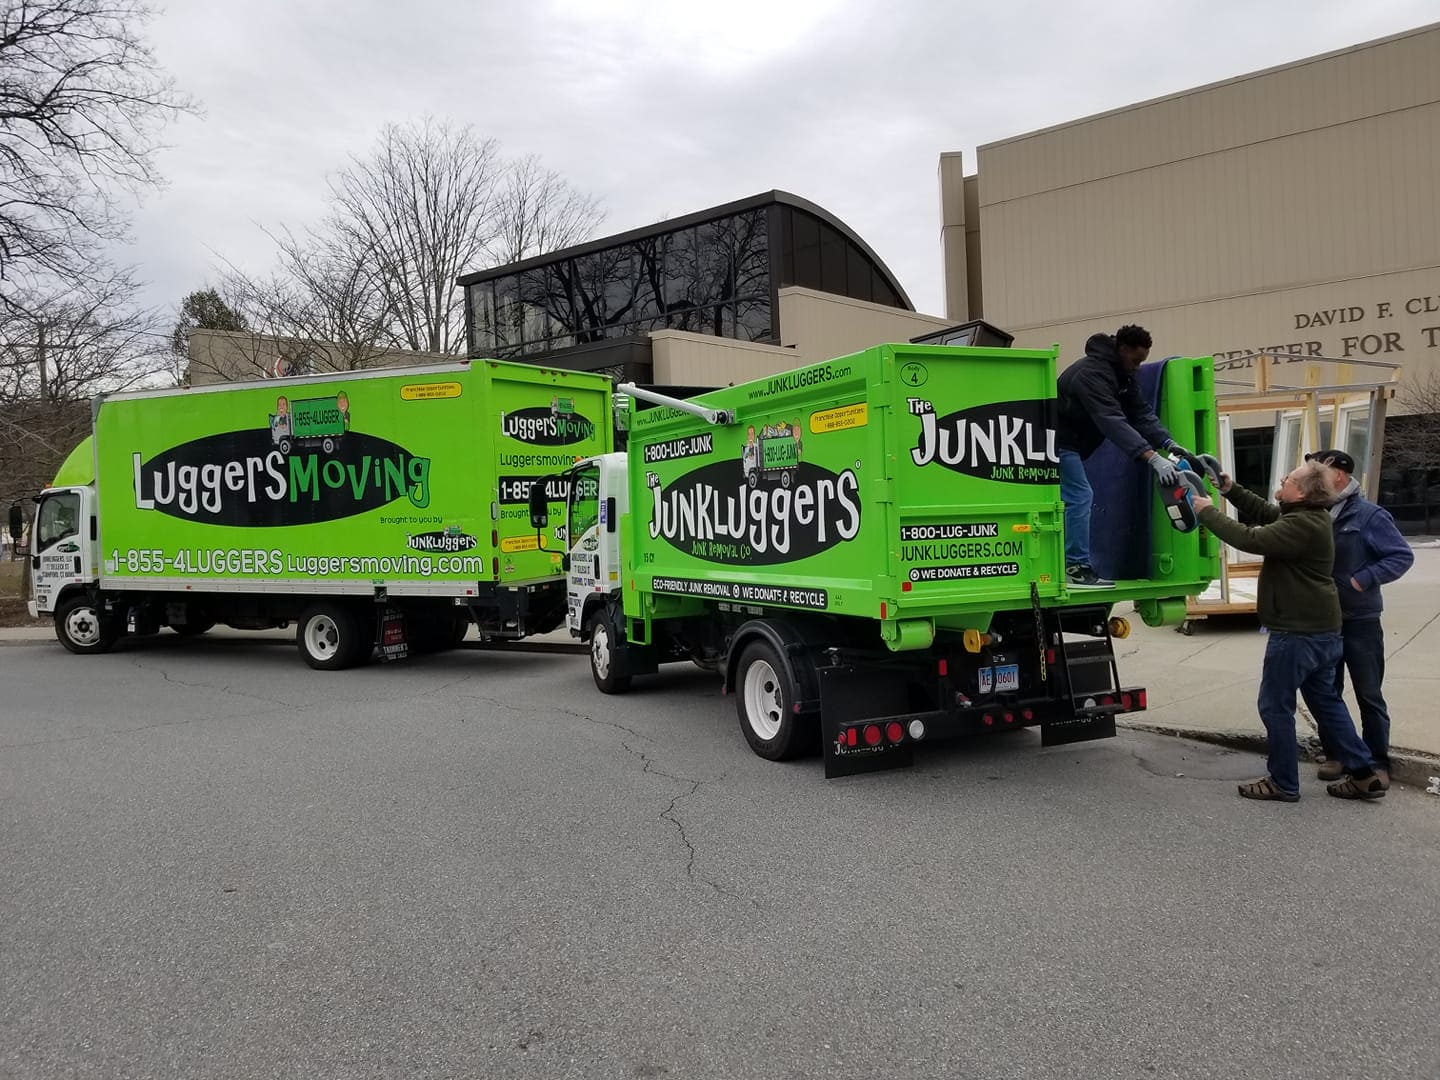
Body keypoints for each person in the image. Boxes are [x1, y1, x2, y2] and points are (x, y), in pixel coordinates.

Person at [1192, 461, 1385, 801]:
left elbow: (1249, 537)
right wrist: (1229, 488)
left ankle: (1283, 782)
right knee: (1325, 701)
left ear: (1303, 491)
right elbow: (1265, 513)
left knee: (1274, 705)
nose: (1283, 479)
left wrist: (1206, 511)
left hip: (1298, 633)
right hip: (1320, 630)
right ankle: (1364, 773)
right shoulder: (1306, 518)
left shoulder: (1303, 525)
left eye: (1290, 478)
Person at [1305, 449, 1413, 789]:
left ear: (1337, 474)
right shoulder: (1315, 511)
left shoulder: (1368, 515)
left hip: (1360, 619)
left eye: (1317, 468)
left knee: (1369, 693)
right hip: (1324, 619)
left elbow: (1400, 555)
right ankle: (1336, 754)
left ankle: (1377, 761)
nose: (1311, 474)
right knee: (1327, 691)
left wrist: (1361, 579)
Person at [1056, 325, 1193, 589]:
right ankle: (1075, 567)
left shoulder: (1122, 375)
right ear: (1121, 349)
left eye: (1142, 362)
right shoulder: (1091, 373)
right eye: (1135, 360)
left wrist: (1168, 443)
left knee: (1073, 499)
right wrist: (1152, 457)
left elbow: (1141, 413)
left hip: (1071, 445)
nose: (1138, 367)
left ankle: (1072, 563)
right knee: (1080, 496)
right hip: (1056, 443)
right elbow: (1111, 420)